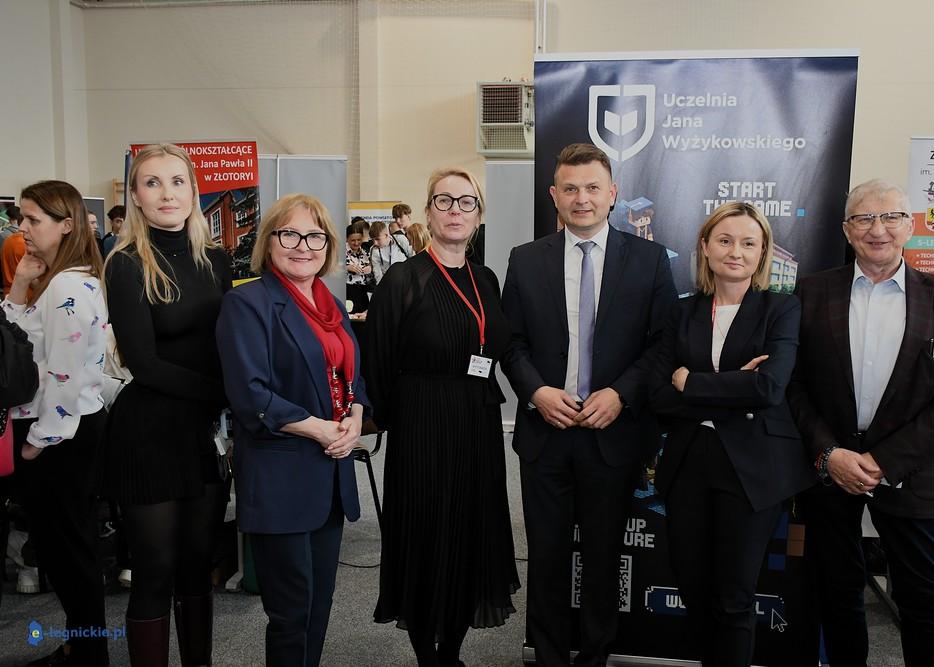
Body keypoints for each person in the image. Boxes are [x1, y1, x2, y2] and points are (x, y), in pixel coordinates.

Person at [788, 179, 934, 667]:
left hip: (909, 473)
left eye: (891, 217)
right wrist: (831, 454)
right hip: (829, 472)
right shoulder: (809, 292)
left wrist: (881, 460)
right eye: (864, 218)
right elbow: (794, 387)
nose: (878, 229)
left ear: (910, 225)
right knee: (836, 595)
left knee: (925, 604)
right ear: (846, 230)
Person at [501, 142, 677, 666]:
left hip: (613, 437)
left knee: (604, 561)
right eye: (571, 189)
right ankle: (550, 658)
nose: (582, 199)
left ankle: (596, 656)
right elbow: (510, 343)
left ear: (613, 194)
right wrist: (534, 390)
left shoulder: (648, 260)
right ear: (554, 195)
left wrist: (621, 394)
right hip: (545, 436)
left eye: (593, 188)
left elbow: (665, 343)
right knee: (548, 559)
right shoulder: (525, 259)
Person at [648, 202, 815, 666]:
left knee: (735, 597)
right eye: (724, 240)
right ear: (705, 247)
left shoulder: (781, 309)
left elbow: (767, 387)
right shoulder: (682, 313)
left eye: (748, 243)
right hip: (687, 464)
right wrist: (730, 386)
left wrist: (693, 382)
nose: (735, 252)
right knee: (693, 587)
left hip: (751, 468)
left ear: (762, 254)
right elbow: (659, 394)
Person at [366, 167, 520, 666]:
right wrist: (403, 420)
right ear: (428, 211)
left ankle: (451, 651)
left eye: (466, 202)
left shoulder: (487, 278)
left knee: (471, 534)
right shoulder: (402, 278)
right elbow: (379, 364)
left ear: (479, 216)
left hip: (476, 424)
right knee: (426, 536)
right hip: (421, 425)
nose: (456, 210)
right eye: (444, 200)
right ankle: (425, 655)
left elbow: (496, 347)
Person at [216, 193, 367, 667]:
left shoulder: (331, 304)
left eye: (315, 235)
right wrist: (322, 430)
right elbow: (250, 395)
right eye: (290, 234)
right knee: (290, 611)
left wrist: (357, 414)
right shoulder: (248, 303)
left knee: (320, 605)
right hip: (281, 473)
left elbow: (352, 377)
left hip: (331, 475)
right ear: (270, 241)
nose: (303, 246)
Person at [102, 143, 233, 667]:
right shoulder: (127, 264)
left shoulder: (218, 261)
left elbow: (230, 343)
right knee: (155, 571)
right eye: (152, 182)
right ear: (134, 195)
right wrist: (225, 394)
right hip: (150, 433)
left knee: (198, 565)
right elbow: (145, 363)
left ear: (193, 190)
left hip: (205, 434)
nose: (166, 193)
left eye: (177, 181)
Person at [3, 180, 109, 667]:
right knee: (64, 549)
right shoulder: (57, 279)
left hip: (58, 434)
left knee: (71, 553)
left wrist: (38, 443)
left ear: (66, 225)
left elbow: (66, 376)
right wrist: (22, 283)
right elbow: (15, 342)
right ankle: (81, 646)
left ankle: (88, 653)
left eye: (32, 219)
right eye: (21, 218)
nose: (21, 228)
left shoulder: (69, 285)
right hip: (52, 430)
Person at [369, 219, 412, 285]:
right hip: (389, 284)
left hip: (406, 280)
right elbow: (377, 273)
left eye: (377, 239)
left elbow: (412, 256)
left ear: (386, 235)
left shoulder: (400, 240)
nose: (375, 243)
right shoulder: (373, 250)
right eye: (372, 239)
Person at [345, 220, 374, 313]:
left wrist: (370, 269)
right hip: (348, 290)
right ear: (346, 239)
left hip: (363, 291)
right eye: (353, 240)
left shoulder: (365, 252)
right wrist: (347, 267)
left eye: (359, 240)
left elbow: (373, 272)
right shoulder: (340, 252)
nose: (356, 243)